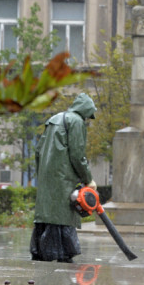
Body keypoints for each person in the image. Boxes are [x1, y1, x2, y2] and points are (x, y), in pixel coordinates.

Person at [31, 93, 97, 263]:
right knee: (62, 215)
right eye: (88, 116)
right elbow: (77, 155)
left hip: (48, 177)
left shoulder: (54, 119)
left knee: (47, 215)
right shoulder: (76, 121)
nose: (88, 120)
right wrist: (88, 178)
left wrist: (43, 175)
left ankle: (41, 250)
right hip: (64, 178)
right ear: (85, 111)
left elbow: (38, 151)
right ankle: (60, 253)